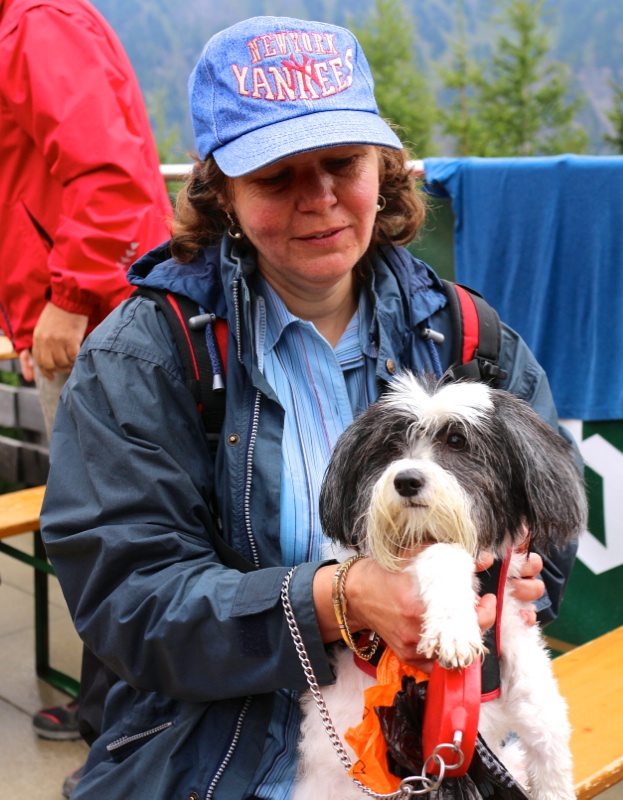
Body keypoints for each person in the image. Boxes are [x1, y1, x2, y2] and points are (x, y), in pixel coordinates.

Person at [40, 15, 578, 800]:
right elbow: (128, 602)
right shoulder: (145, 356)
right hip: (215, 762)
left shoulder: (467, 337)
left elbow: (550, 526)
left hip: (432, 749)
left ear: (383, 169)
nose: (319, 199)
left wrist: (513, 581)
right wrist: (338, 599)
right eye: (275, 176)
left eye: (341, 163)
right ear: (220, 192)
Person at [0, 0, 172, 790]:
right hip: (79, 314)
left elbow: (106, 171)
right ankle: (112, 707)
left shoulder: (38, 24)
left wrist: (65, 298)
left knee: (109, 532)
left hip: (94, 319)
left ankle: (121, 728)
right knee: (107, 527)